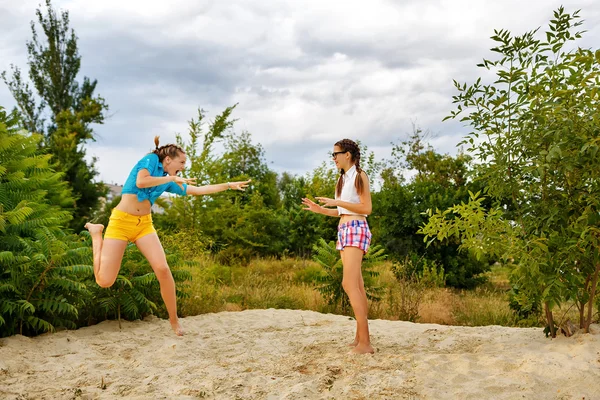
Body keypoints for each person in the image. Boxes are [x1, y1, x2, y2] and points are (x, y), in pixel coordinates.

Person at [84, 136, 250, 336]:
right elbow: (141, 181)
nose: (183, 168)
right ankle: (96, 233)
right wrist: (172, 178)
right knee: (104, 281)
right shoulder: (151, 160)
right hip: (120, 223)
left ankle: (174, 321)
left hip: (144, 225)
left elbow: (197, 190)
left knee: (163, 268)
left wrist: (228, 185)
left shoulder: (167, 180)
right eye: (181, 163)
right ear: (168, 159)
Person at [302, 139, 374, 354]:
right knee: (357, 286)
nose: (333, 158)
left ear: (348, 155)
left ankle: (366, 344)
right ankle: (360, 338)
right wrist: (320, 210)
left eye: (336, 154)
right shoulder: (342, 180)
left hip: (356, 228)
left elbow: (366, 208)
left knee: (349, 284)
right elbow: (340, 212)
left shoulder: (360, 176)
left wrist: (338, 203)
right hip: (344, 230)